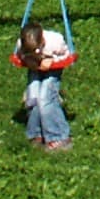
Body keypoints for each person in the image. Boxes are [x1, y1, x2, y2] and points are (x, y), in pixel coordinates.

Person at [16, 20, 72, 151]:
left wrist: (52, 61)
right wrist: (29, 60)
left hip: (54, 67)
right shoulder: (21, 44)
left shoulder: (55, 41)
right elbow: (20, 56)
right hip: (34, 66)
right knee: (33, 97)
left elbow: (67, 55)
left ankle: (59, 136)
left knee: (45, 98)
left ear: (42, 42)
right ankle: (35, 133)